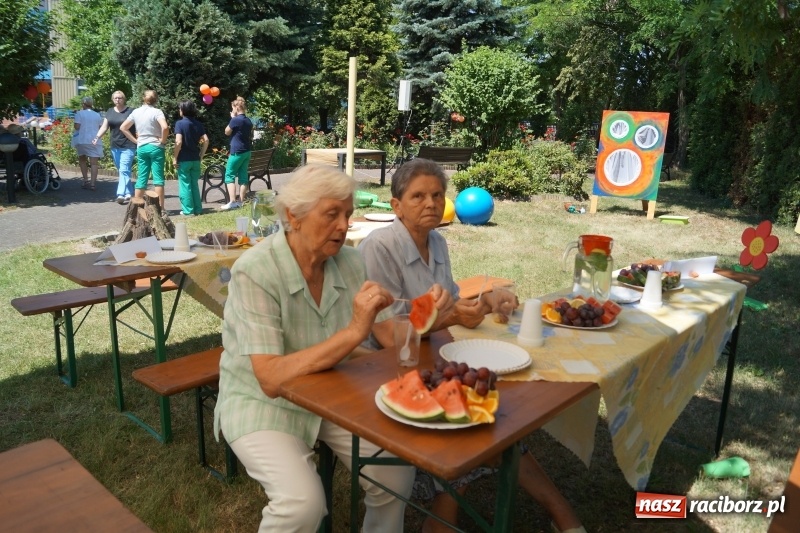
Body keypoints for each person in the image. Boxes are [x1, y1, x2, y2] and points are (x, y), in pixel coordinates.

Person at [358, 158, 586, 533]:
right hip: (385, 368)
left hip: (431, 354)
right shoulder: (380, 247)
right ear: (396, 206)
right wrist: (451, 317)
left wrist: (487, 300)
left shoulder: (438, 241)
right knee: (476, 418)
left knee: (493, 413)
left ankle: (547, 511)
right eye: (417, 196)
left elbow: (448, 303)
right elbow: (388, 335)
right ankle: (550, 511)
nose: (430, 203)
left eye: (437, 195)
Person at [213, 165, 415, 532]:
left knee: (396, 472)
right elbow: (270, 379)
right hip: (260, 402)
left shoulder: (350, 261)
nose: (344, 226)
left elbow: (388, 335)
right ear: (294, 216)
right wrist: (355, 332)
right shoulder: (255, 271)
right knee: (301, 505)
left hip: (330, 391)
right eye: (332, 214)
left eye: (348, 214)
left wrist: (442, 315)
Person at [120, 90, 169, 208]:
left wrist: (136, 141)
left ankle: (137, 208)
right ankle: (160, 209)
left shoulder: (136, 112)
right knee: (158, 179)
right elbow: (165, 127)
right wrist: (162, 140)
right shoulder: (157, 112)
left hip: (142, 146)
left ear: (143, 98)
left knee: (142, 177)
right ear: (156, 99)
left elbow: (123, 127)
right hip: (156, 147)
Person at [93, 90, 136, 204]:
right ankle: (129, 192)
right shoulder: (110, 111)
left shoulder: (131, 111)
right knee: (123, 170)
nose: (118, 100)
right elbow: (104, 127)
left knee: (124, 168)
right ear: (112, 99)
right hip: (115, 145)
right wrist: (97, 137)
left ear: (124, 99)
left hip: (128, 145)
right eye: (115, 98)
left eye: (120, 98)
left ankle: (120, 194)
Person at [172, 100, 208, 216]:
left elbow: (178, 142)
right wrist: (201, 155)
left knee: (185, 185)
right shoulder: (198, 124)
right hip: (195, 158)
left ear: (183, 110)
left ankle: (188, 211)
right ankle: (198, 209)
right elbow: (206, 140)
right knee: (194, 184)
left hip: (184, 159)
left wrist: (174, 158)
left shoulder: (180, 123)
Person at [220, 96, 253, 210]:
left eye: (233, 107)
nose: (232, 109)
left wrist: (232, 118)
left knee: (229, 175)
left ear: (237, 107)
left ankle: (232, 201)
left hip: (236, 152)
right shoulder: (248, 120)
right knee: (243, 176)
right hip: (247, 151)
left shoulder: (235, 120)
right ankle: (240, 202)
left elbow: (227, 132)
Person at [71, 96, 103, 191]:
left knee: (82, 159)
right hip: (95, 140)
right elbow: (101, 127)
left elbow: (77, 127)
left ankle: (85, 180)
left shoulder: (79, 114)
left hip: (82, 140)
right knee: (94, 163)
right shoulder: (97, 115)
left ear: (83, 104)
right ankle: (93, 184)